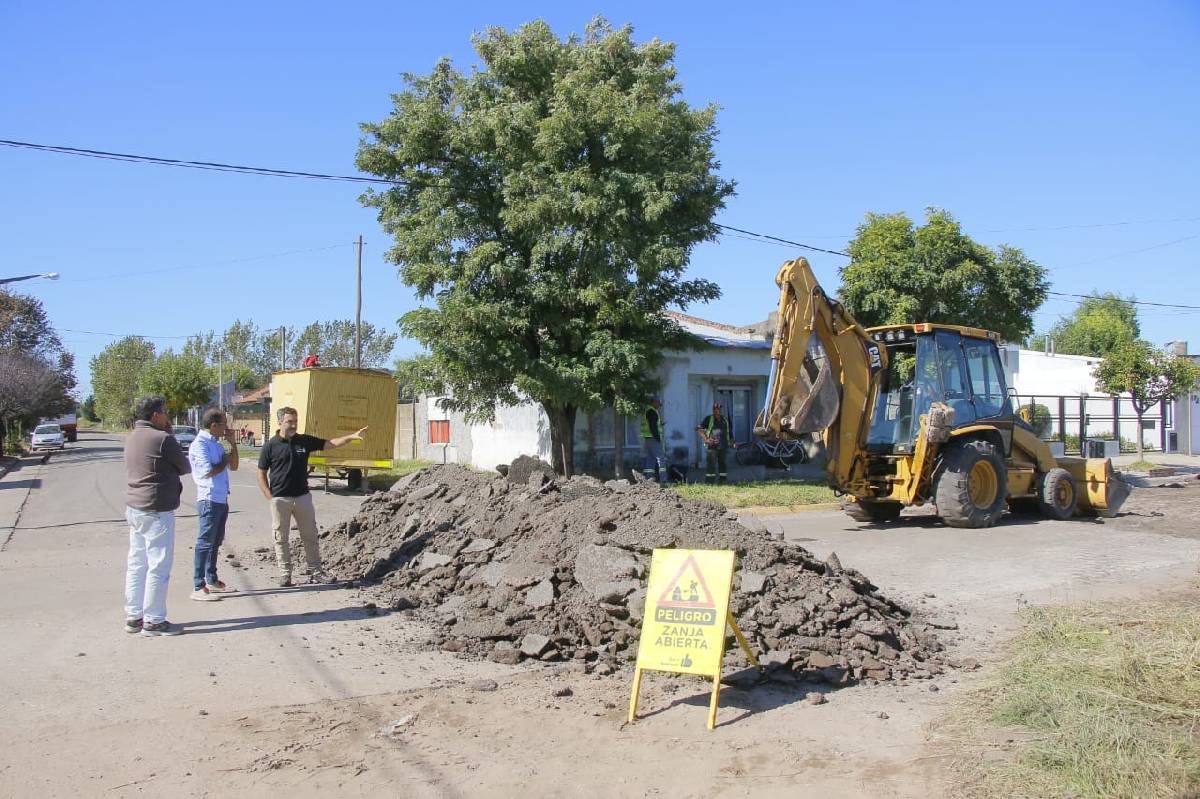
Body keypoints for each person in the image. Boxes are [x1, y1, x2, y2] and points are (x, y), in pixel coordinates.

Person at [257, 407, 367, 586]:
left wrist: (351, 436)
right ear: (280, 423)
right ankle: (286, 575)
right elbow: (261, 472)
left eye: (295, 421)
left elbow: (330, 443)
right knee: (281, 538)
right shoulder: (271, 445)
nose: (293, 425)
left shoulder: (304, 441)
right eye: (289, 422)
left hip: (302, 498)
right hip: (280, 499)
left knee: (310, 535)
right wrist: (270, 496)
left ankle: (316, 571)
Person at [123, 395, 191, 637]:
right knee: (159, 566)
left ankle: (134, 617)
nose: (167, 416)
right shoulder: (162, 439)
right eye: (164, 412)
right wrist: (170, 435)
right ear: (155, 415)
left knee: (137, 564)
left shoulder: (132, 437)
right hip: (157, 509)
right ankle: (154, 620)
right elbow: (185, 467)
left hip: (135, 508)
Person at [188, 407, 239, 602]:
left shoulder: (216, 444)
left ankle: (212, 579)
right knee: (205, 542)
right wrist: (225, 460)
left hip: (221, 498)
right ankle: (198, 585)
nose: (227, 427)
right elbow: (207, 472)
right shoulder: (200, 444)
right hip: (208, 498)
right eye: (224, 423)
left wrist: (232, 445)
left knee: (216, 541)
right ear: (214, 425)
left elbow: (233, 466)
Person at [696, 403, 733, 484]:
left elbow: (729, 432)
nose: (718, 410)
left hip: (723, 446)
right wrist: (706, 439)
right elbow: (699, 429)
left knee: (722, 464)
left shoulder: (725, 419)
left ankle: (723, 481)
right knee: (711, 465)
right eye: (716, 409)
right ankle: (709, 483)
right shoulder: (709, 419)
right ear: (713, 410)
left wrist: (732, 442)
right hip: (712, 446)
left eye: (719, 409)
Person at [640, 395, 666, 484]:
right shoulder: (652, 412)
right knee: (661, 459)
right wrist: (658, 438)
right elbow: (653, 427)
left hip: (648, 438)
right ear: (654, 402)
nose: (659, 405)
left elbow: (652, 425)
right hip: (653, 438)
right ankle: (663, 480)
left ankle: (649, 479)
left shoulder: (649, 411)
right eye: (658, 403)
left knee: (650, 459)